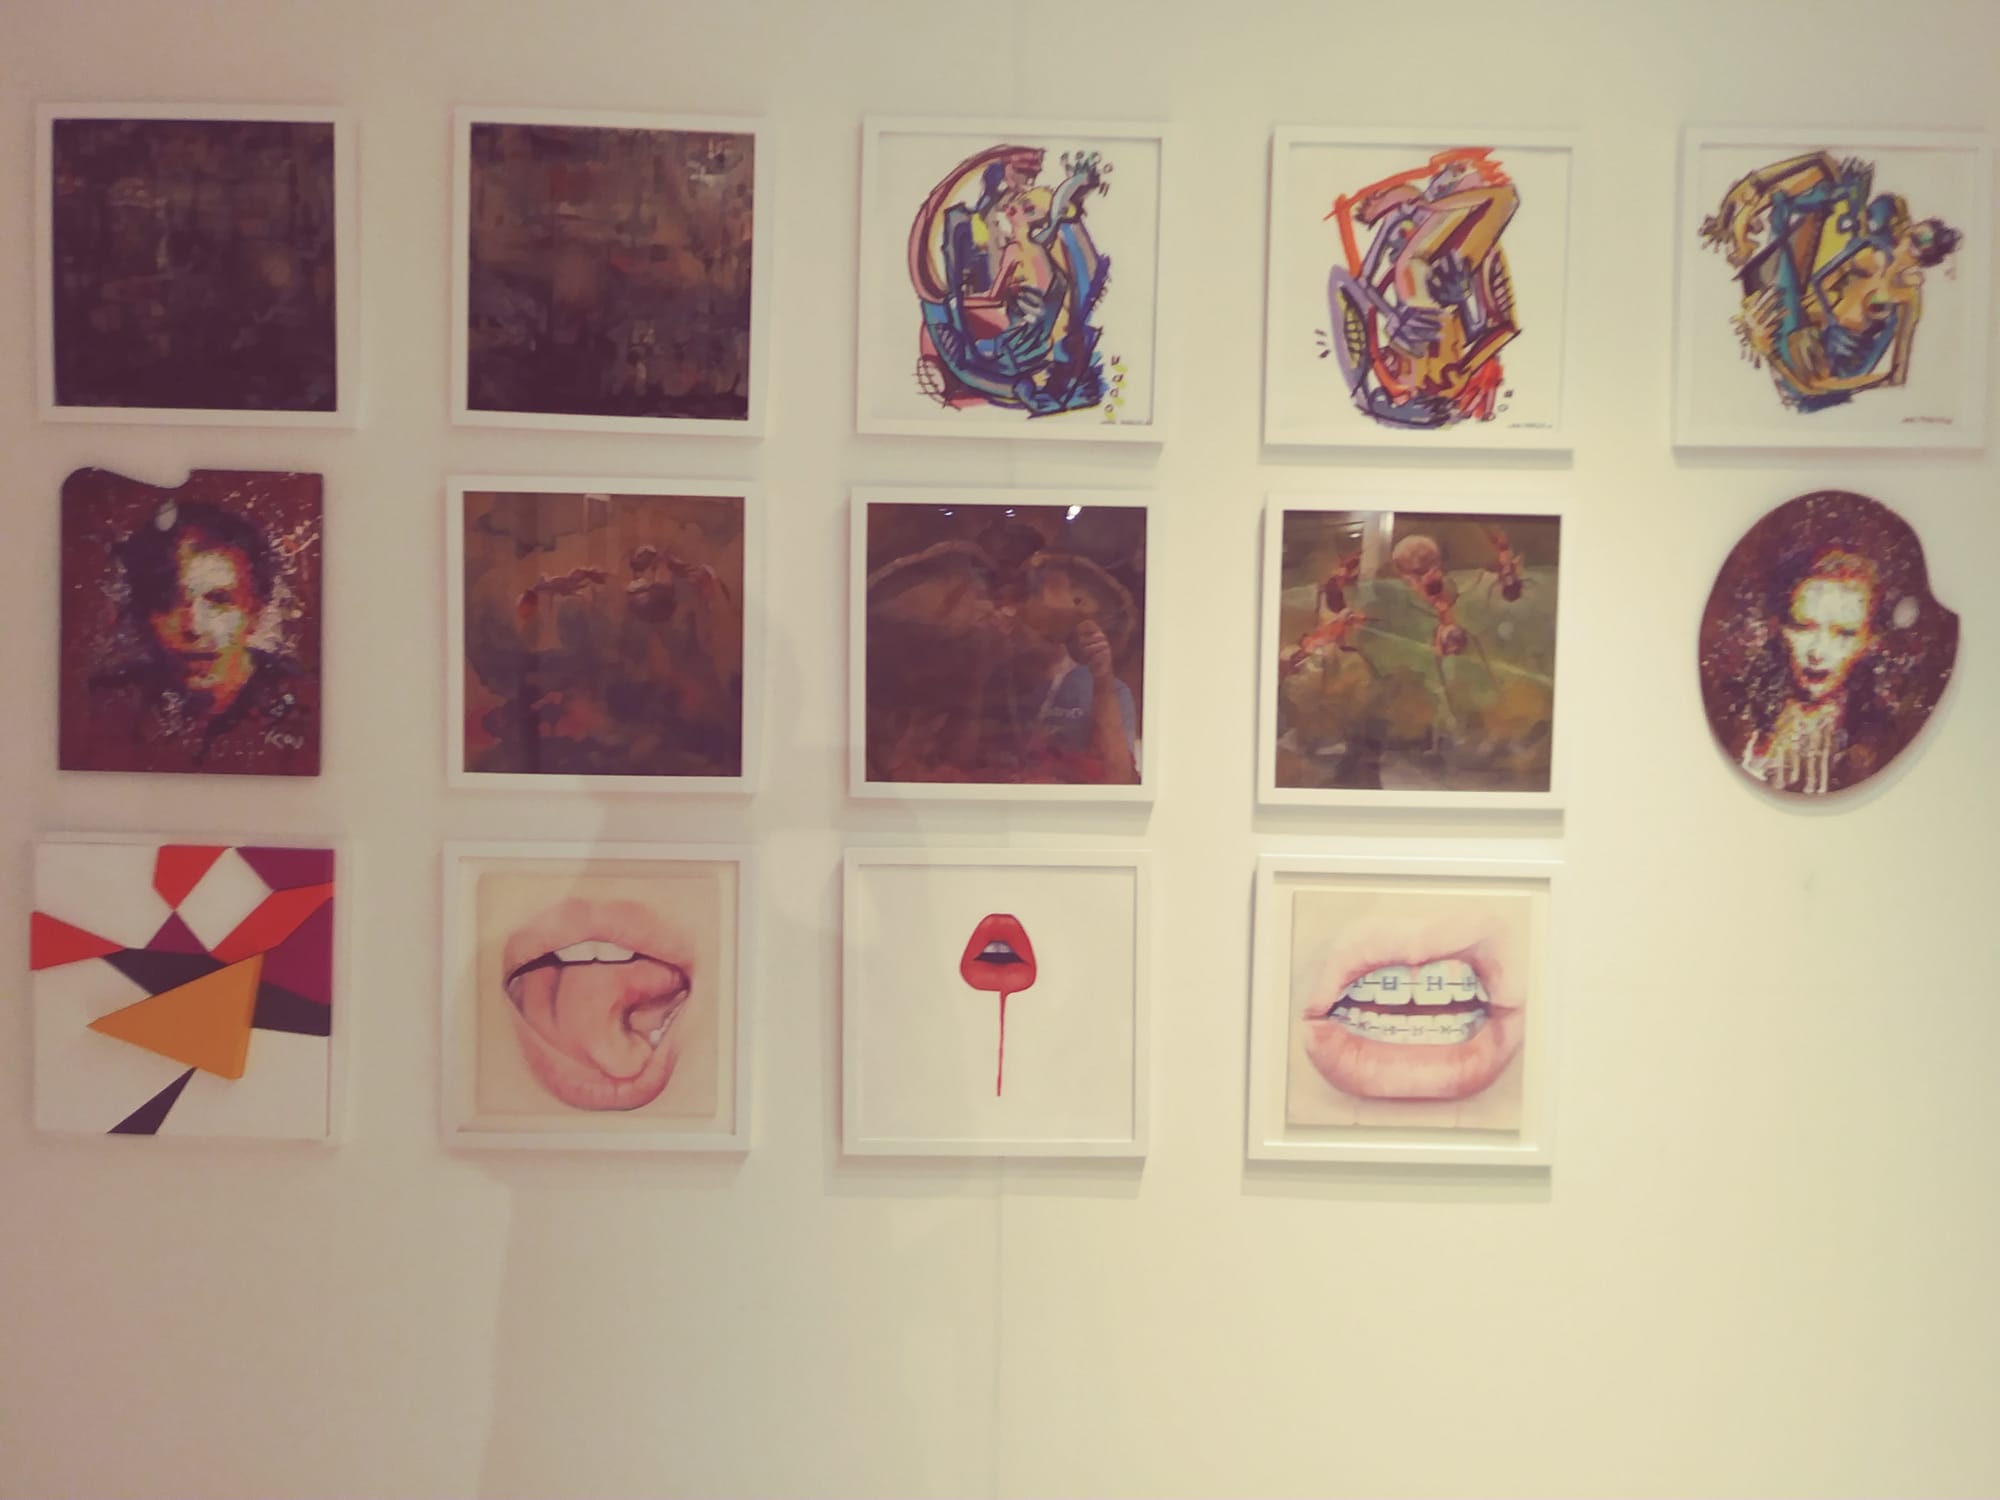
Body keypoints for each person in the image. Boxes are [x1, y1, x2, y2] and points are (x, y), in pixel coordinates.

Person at [86, 499, 313, 771]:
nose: (194, 627)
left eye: (219, 599)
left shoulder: (307, 701)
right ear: (144, 613)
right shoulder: (109, 703)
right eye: (168, 602)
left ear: (255, 611)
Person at [1737, 547, 1886, 795]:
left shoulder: (1875, 737)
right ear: (1779, 628)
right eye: (1802, 627)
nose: (1817, 652)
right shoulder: (1744, 719)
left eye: (1844, 633)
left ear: (1869, 642)